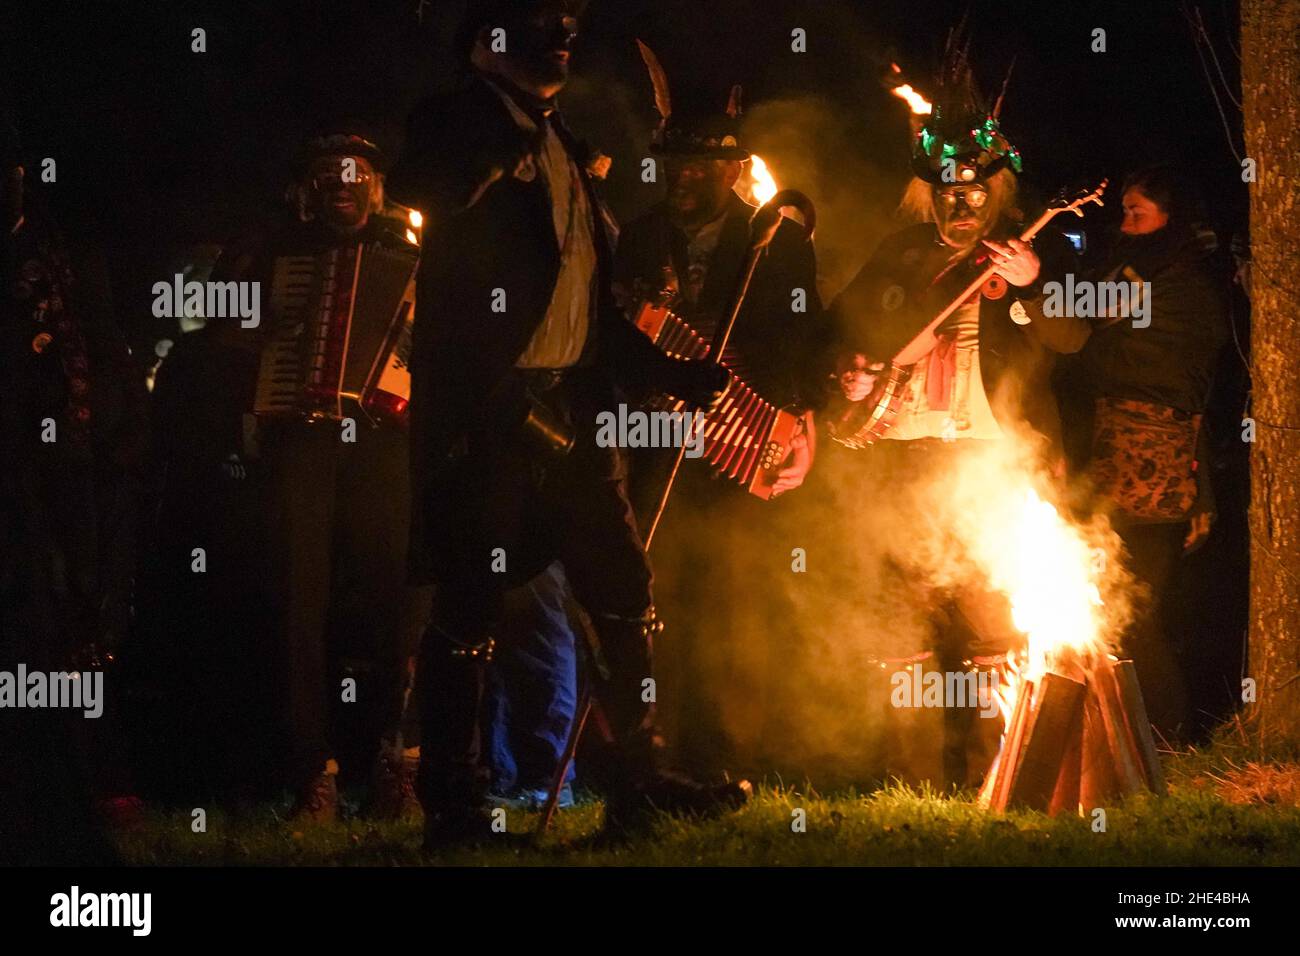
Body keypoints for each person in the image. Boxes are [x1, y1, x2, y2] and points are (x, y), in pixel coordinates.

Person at [388, 0, 749, 846]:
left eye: (567, 25)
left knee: (624, 593)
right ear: (487, 42)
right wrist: (499, 146)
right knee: (470, 606)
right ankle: (454, 806)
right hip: (493, 413)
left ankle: (642, 783)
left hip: (577, 411)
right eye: (538, 23)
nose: (560, 36)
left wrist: (669, 372)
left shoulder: (565, 145)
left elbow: (592, 306)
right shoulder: (457, 121)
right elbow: (419, 191)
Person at [151, 127, 430, 821]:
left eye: (356, 176)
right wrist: (261, 327)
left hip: (380, 439)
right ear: (309, 190)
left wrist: (409, 357)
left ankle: (394, 760)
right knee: (296, 606)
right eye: (330, 178)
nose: (344, 188)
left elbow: (443, 341)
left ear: (375, 185)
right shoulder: (274, 250)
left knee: (390, 599)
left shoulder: (409, 252)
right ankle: (316, 772)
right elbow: (214, 332)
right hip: (299, 438)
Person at [828, 80, 1089, 788]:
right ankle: (906, 781)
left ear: (997, 192)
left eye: (976, 193)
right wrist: (851, 373)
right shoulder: (899, 253)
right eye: (948, 193)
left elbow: (1071, 336)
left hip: (992, 467)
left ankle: (995, 779)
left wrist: (1033, 286)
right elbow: (843, 332)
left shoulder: (1030, 249)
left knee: (992, 632)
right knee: (898, 627)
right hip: (903, 459)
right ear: (928, 196)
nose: (962, 204)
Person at [612, 63, 829, 774]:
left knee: (731, 599)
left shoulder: (778, 242)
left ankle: (720, 756)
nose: (684, 179)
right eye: (675, 164)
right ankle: (649, 753)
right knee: (648, 594)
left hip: (740, 438)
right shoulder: (635, 238)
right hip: (651, 439)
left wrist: (804, 417)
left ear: (735, 170)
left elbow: (805, 339)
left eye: (702, 167)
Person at [0, 112, 148, 862]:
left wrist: (119, 437)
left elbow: (104, 345)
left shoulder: (66, 256)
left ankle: (93, 772)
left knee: (78, 616)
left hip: (67, 463)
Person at [1056, 164, 1230, 740]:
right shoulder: (1144, 274)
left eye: (1139, 212)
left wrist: (1039, 297)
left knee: (1135, 614)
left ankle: (1163, 737)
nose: (1126, 223)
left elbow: (1172, 384)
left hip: (1151, 470)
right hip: (1117, 464)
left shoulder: (1175, 286)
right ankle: (1127, 737)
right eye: (1124, 211)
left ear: (1169, 218)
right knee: (1112, 607)